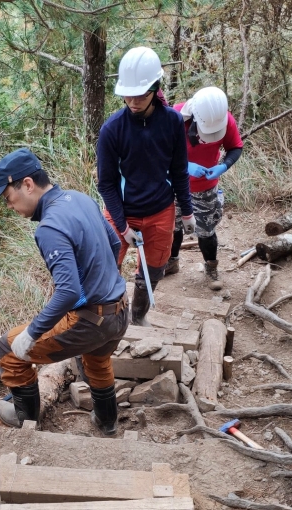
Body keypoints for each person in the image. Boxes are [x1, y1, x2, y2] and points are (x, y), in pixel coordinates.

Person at [0, 149, 129, 436]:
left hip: (90, 322)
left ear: (27, 184)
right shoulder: (80, 198)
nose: (9, 206)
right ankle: (107, 422)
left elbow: (67, 292)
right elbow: (115, 243)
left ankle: (25, 419)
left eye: (8, 198)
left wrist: (32, 333)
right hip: (120, 310)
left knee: (7, 349)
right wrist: (103, 282)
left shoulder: (49, 226)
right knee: (96, 359)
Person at [97, 46, 196, 326]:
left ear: (155, 87)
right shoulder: (112, 130)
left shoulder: (173, 123)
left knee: (154, 269)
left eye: (139, 93)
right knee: (105, 267)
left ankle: (137, 317)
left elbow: (179, 170)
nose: (132, 99)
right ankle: (111, 322)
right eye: (127, 93)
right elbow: (106, 184)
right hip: (121, 211)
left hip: (160, 210)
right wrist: (123, 226)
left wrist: (187, 212)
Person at [167, 86, 243, 289]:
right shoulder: (174, 118)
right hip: (173, 183)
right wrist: (185, 165)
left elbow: (235, 147)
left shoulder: (223, 119)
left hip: (205, 186)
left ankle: (211, 267)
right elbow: (157, 151)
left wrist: (223, 166)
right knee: (172, 227)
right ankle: (171, 262)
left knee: (206, 230)